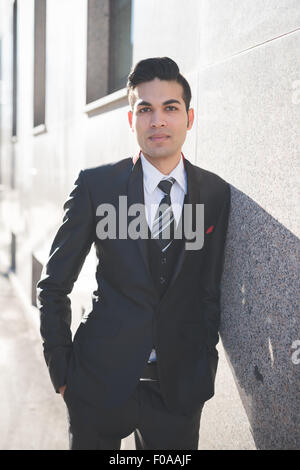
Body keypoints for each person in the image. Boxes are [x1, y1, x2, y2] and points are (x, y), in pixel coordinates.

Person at [36, 57, 231, 450]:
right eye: (145, 109)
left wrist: (202, 366)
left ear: (189, 118)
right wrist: (61, 370)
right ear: (131, 120)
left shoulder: (214, 193)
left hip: (177, 393)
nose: (157, 120)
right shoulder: (98, 186)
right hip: (97, 383)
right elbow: (54, 284)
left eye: (170, 108)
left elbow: (208, 291)